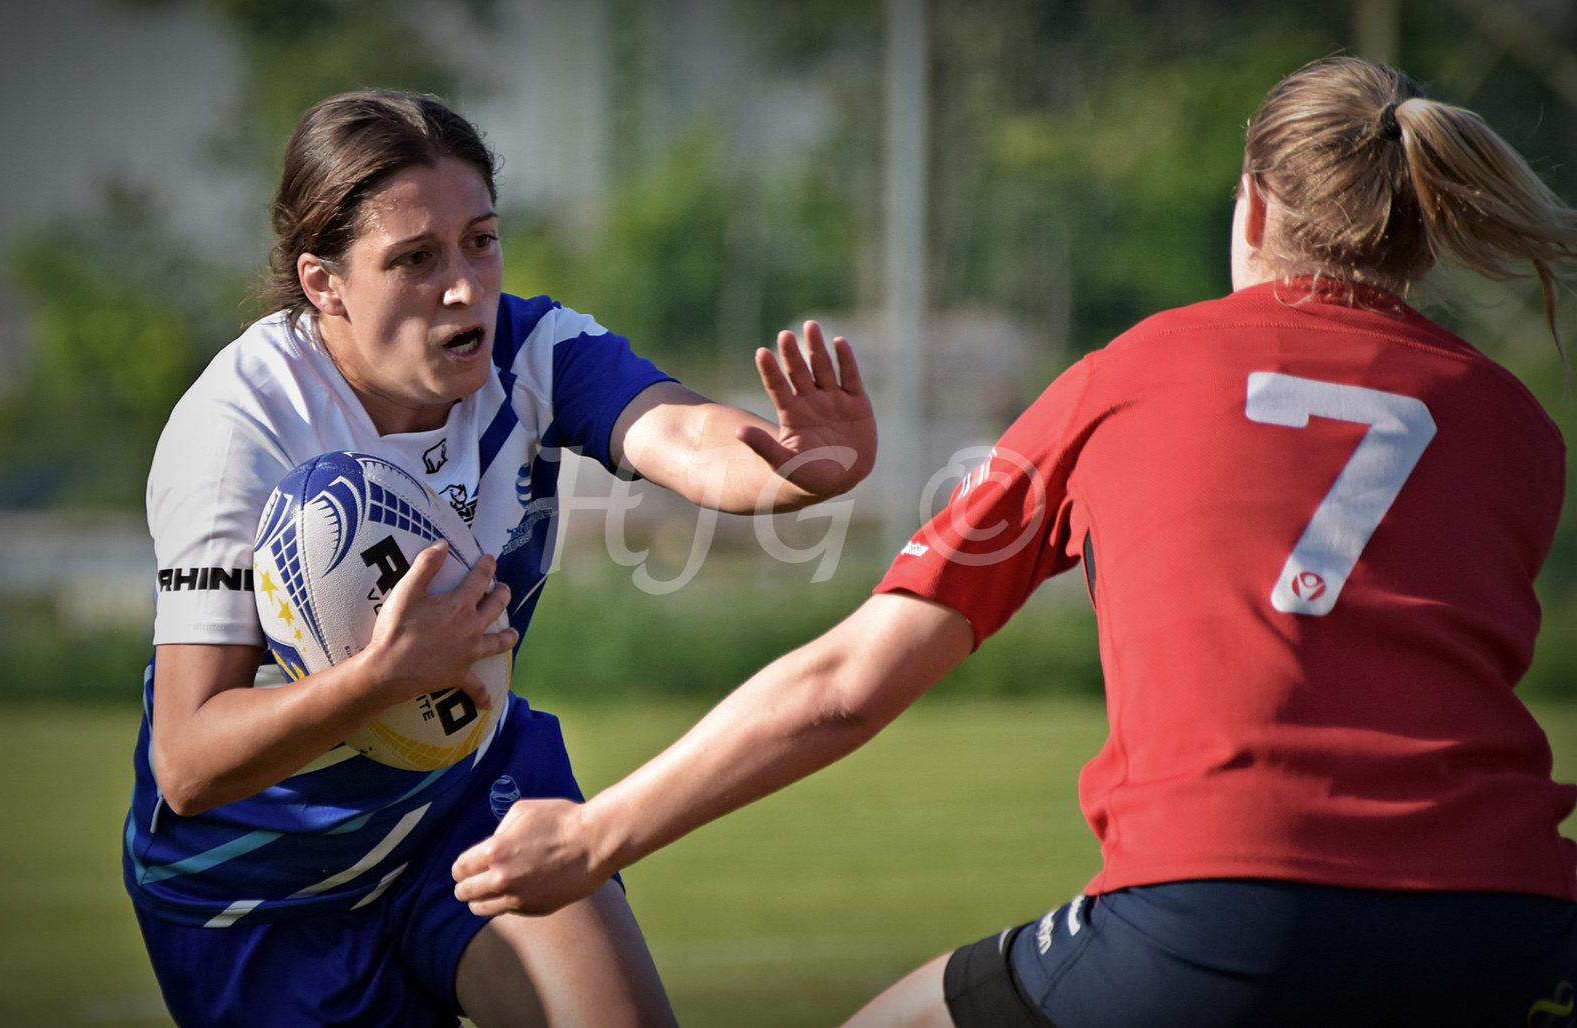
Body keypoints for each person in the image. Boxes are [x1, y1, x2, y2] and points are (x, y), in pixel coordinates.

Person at [452, 56, 1577, 1028]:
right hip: (1518, 927)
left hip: (1221, 908)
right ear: (1426, 225)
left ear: (1249, 204)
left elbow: (848, 682)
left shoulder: (1132, 375)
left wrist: (598, 833)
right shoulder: (1517, 425)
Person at [122, 89, 876, 1028]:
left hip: (466, 794)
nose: (464, 286)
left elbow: (678, 431)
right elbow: (191, 761)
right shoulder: (240, 432)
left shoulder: (530, 351)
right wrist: (386, 677)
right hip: (258, 889)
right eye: (414, 259)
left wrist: (794, 471)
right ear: (324, 284)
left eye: (481, 240)